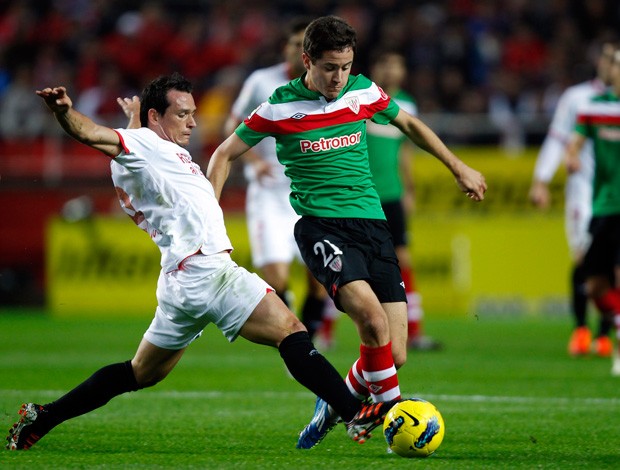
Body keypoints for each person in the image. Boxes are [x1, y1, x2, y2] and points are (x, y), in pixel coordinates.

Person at [6, 73, 386, 451]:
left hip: (179, 281)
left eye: (193, 113)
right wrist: (64, 113)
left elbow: (131, 150)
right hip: (208, 270)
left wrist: (135, 119)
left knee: (141, 372)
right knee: (290, 330)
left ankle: (45, 416)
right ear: (157, 117)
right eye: (183, 114)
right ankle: (354, 412)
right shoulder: (143, 145)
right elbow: (92, 133)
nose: (193, 122)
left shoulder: (150, 150)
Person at [207, 16, 487, 449]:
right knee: (371, 321)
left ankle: (334, 402)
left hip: (373, 225)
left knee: (393, 354)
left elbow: (409, 124)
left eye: (345, 66)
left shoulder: (361, 90)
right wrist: (210, 215)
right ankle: (394, 423)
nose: (339, 77)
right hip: (321, 226)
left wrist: (458, 166)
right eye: (330, 67)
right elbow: (224, 154)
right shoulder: (278, 106)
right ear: (307, 60)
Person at [223, 17, 329, 341]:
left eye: (305, 46)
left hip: (307, 194)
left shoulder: (326, 85)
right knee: (276, 277)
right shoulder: (261, 81)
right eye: (295, 44)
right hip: (268, 192)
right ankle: (293, 339)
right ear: (286, 47)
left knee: (319, 279)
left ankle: (306, 341)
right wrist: (254, 160)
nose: (299, 51)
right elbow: (232, 125)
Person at [529, 41, 617, 357]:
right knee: (585, 259)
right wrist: (541, 180)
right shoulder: (578, 99)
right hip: (584, 194)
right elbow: (558, 140)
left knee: (611, 268)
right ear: (601, 63)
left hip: (612, 196)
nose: (611, 66)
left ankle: (605, 332)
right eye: (609, 59)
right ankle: (581, 328)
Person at [366, 48, 441, 351]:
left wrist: (409, 189)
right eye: (385, 63)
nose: (391, 70)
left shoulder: (406, 105)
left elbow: (405, 152)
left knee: (404, 260)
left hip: (393, 194)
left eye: (397, 65)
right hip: (363, 197)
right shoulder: (360, 99)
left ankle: (415, 331)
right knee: (349, 265)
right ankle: (325, 331)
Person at [565, 49, 620, 375]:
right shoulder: (592, 108)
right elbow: (575, 143)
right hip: (602, 204)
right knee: (595, 284)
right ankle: (612, 322)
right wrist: (571, 156)